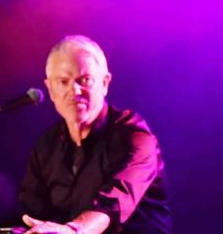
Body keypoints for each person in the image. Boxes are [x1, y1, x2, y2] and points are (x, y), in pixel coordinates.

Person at [18, 36, 170, 234]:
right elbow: (31, 213)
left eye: (85, 80)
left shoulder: (135, 138)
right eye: (63, 81)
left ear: (105, 83)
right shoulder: (46, 146)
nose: (74, 91)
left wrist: (73, 230)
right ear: (50, 89)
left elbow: (112, 204)